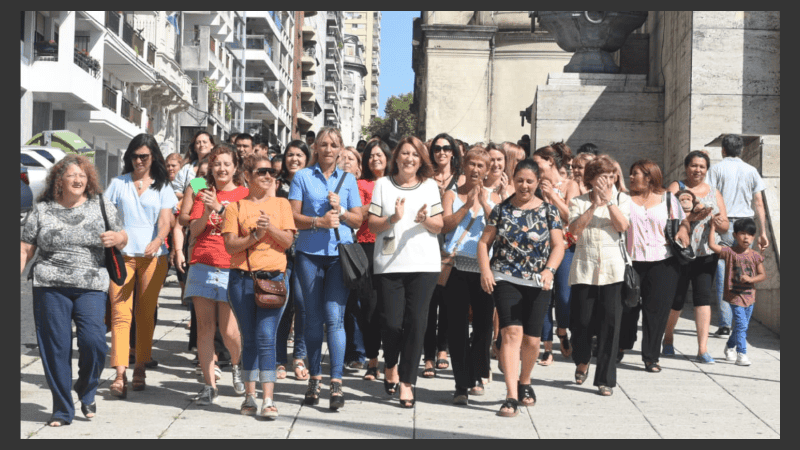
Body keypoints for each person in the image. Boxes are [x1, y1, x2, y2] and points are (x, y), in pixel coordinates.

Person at [20, 155, 127, 427]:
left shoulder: (101, 205)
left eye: (82, 175)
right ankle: (62, 409)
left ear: (88, 179)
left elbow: (122, 236)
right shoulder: (42, 210)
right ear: (59, 180)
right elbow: (25, 249)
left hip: (91, 283)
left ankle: (86, 388)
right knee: (56, 349)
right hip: (49, 285)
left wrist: (117, 238)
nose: (78, 180)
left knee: (94, 342)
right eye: (71, 175)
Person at [477, 158, 565, 417]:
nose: (524, 186)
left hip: (539, 281)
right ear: (513, 180)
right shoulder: (501, 210)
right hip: (506, 277)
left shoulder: (549, 211)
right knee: (512, 333)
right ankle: (511, 395)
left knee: (532, 340)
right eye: (520, 181)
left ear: (538, 183)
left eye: (529, 181)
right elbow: (484, 243)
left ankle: (525, 380)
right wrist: (485, 271)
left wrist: (550, 270)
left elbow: (559, 245)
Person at [289, 127, 363, 410]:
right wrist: (318, 222)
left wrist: (341, 211)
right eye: (324, 144)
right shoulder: (303, 177)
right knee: (311, 317)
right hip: (309, 254)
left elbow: (357, 220)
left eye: (334, 144)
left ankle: (336, 383)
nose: (329, 149)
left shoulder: (348, 180)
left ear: (341, 148)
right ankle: (314, 378)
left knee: (334, 317)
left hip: (338, 257)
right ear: (316, 148)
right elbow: (294, 217)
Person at [368, 136, 443, 408]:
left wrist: (425, 220)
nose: (409, 158)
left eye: (415, 154)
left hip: (424, 265)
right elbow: (372, 225)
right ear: (395, 158)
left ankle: (407, 382)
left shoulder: (430, 186)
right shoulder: (382, 186)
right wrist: (393, 219)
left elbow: (440, 224)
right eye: (404, 153)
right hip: (389, 266)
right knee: (391, 323)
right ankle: (391, 364)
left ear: (421, 159)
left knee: (417, 324)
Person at [223, 154, 296, 417]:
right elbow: (230, 245)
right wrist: (255, 235)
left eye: (271, 172)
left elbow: (287, 241)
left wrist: (270, 229)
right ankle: (249, 397)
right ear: (247, 175)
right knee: (249, 337)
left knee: (267, 337)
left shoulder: (282, 204)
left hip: (274, 279)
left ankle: (268, 400)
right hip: (242, 279)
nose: (268, 176)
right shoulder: (235, 207)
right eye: (261, 171)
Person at [104, 134, 177, 397]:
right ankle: (120, 373)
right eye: (134, 156)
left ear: (153, 157)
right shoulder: (118, 184)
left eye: (144, 156)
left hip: (153, 258)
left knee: (145, 314)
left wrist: (159, 240)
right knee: (120, 314)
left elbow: (166, 220)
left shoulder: (163, 186)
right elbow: (107, 216)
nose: (139, 161)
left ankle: (141, 367)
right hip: (122, 257)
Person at [186, 144, 249, 405]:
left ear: (235, 167)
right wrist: (209, 209)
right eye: (216, 164)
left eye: (226, 163)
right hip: (202, 263)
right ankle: (209, 384)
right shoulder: (203, 192)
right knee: (204, 328)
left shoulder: (244, 194)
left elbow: (244, 230)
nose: (221, 168)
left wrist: (222, 210)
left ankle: (237, 364)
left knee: (229, 331)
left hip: (230, 266)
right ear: (210, 167)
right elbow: (194, 228)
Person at [567, 155, 630, 396]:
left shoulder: (623, 200)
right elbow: (573, 230)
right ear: (592, 179)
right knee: (581, 323)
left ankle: (605, 379)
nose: (608, 181)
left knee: (610, 326)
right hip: (584, 269)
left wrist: (610, 202)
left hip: (613, 271)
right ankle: (582, 359)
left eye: (611, 176)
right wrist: (594, 205)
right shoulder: (578, 202)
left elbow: (623, 226)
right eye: (603, 177)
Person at [619, 160, 690, 373]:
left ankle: (651, 357)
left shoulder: (668, 200)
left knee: (656, 312)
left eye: (635, 174)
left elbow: (684, 221)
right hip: (631, 262)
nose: (631, 177)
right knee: (627, 308)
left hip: (664, 262)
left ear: (649, 177)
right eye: (630, 174)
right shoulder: (624, 200)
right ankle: (622, 344)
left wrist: (684, 230)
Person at [663, 151, 729, 363]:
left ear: (707, 169)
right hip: (680, 253)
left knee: (703, 298)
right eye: (694, 165)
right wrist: (693, 217)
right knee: (677, 299)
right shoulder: (676, 188)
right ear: (686, 167)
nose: (697, 170)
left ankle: (702, 349)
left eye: (702, 166)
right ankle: (668, 336)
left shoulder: (714, 192)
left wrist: (720, 224)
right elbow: (664, 216)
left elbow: (726, 224)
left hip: (706, 254)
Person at [442, 146, 496, 404]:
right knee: (456, 328)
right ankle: (461, 384)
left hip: (484, 269)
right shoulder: (451, 194)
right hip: (456, 268)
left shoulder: (496, 198)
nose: (475, 169)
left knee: (485, 327)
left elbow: (499, 229)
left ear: (487, 171)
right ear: (464, 165)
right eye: (471, 164)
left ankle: (477, 373)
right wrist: (467, 206)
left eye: (481, 166)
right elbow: (445, 225)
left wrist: (484, 204)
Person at [707, 134, 769, 337]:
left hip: (724, 222)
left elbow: (709, 198)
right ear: (741, 150)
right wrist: (762, 232)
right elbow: (759, 202)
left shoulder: (716, 169)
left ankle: (725, 324)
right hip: (747, 225)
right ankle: (741, 319)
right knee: (746, 270)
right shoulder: (751, 171)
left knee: (724, 271)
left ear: (723, 150)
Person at [348, 138, 392, 381]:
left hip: (392, 247)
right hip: (366, 246)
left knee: (392, 308)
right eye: (371, 155)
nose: (376, 159)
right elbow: (357, 216)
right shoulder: (360, 183)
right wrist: (376, 203)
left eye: (380, 155)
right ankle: (372, 361)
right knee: (370, 307)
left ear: (388, 158)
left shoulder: (396, 182)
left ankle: (391, 361)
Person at [532, 144, 581, 365]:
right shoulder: (532, 184)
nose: (534, 166)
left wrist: (552, 195)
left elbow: (572, 216)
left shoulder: (571, 185)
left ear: (550, 161)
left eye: (538, 161)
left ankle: (562, 331)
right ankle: (547, 347)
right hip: (539, 247)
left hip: (565, 246)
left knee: (563, 296)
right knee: (543, 295)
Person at [422, 132, 464, 377]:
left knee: (448, 303)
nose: (441, 152)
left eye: (446, 148)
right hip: (428, 244)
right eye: (437, 148)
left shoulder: (461, 179)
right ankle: (427, 355)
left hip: (453, 247)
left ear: (453, 152)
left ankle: (442, 350)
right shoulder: (425, 178)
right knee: (428, 303)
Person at [274, 140, 311, 381]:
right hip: (280, 252)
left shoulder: (312, 182)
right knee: (281, 304)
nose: (294, 159)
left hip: (307, 251)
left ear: (307, 158)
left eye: (299, 155)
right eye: (290, 155)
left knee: (303, 305)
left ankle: (299, 356)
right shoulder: (275, 184)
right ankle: (278, 360)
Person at [707, 218, 765, 366]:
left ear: (754, 237)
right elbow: (712, 245)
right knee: (741, 325)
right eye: (742, 233)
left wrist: (750, 279)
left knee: (741, 326)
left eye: (750, 235)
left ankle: (729, 347)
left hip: (750, 297)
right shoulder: (729, 252)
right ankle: (742, 353)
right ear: (734, 235)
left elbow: (762, 275)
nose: (746, 237)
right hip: (734, 296)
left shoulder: (755, 255)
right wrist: (713, 227)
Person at [175, 131, 215, 195]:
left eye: (204, 142)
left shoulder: (217, 167)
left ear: (212, 145)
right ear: (195, 148)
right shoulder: (187, 168)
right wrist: (189, 200)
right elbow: (177, 190)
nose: (201, 145)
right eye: (198, 143)